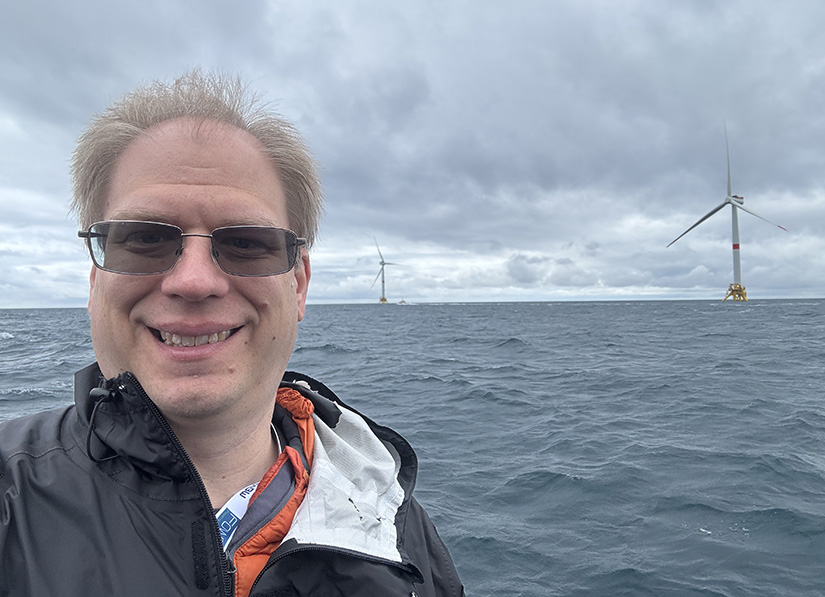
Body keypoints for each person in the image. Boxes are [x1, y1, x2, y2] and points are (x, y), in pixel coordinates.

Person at [0, 70, 464, 596]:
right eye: (145, 240)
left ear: (300, 285)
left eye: (246, 243)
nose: (194, 281)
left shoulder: (392, 519)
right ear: (95, 281)